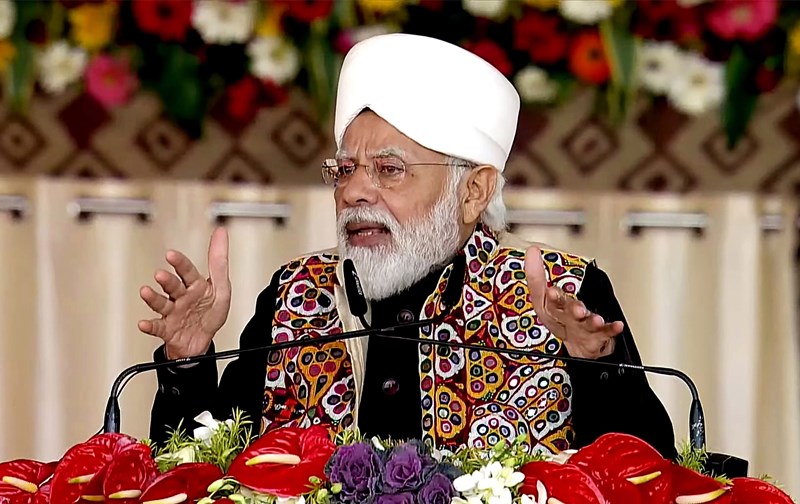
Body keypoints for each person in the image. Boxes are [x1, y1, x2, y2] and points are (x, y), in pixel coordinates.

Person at [141, 34, 676, 458]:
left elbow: (652, 478)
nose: (352, 192)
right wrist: (186, 366)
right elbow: (196, 477)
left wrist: (593, 367)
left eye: (389, 170)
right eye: (344, 170)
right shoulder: (295, 296)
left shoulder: (565, 294)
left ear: (473, 191)